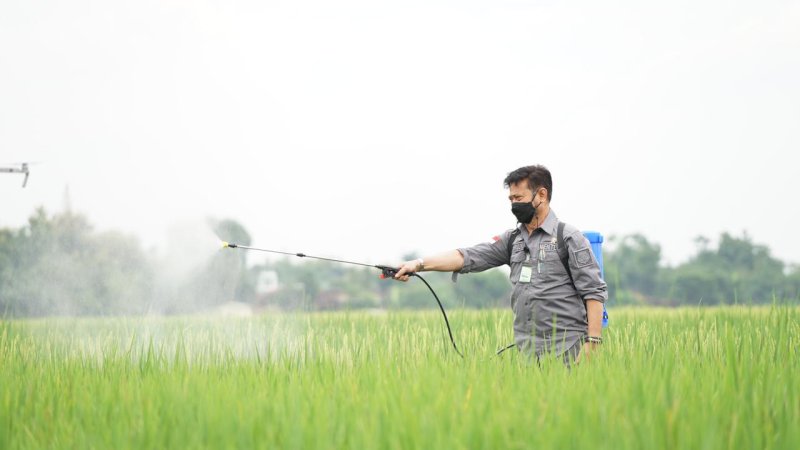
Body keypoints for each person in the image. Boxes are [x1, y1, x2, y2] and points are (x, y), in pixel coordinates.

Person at [393, 165, 607, 365]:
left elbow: (594, 292)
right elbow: (468, 256)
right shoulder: (513, 240)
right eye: (511, 198)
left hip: (567, 350)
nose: (514, 204)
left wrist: (592, 343)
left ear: (541, 195)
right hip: (528, 352)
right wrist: (419, 264)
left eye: (519, 197)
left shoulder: (568, 237)